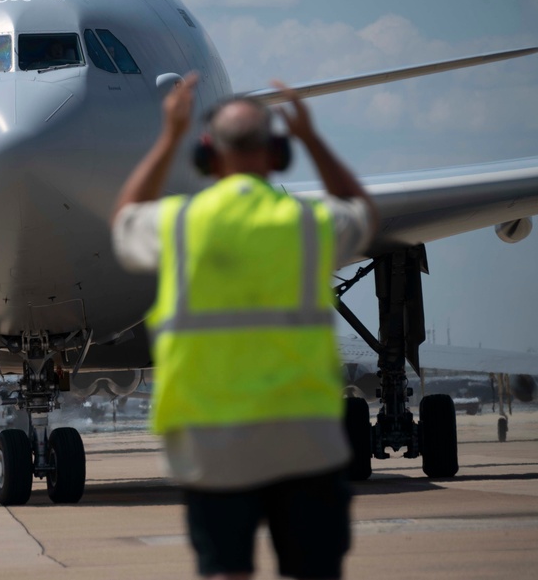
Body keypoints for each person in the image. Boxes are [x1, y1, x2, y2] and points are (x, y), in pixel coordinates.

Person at [110, 73, 377, 580]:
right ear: (276, 153)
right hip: (304, 437)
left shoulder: (181, 225)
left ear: (206, 154)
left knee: (227, 571)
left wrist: (169, 137)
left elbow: (125, 221)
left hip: (212, 443)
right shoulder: (307, 224)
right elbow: (362, 214)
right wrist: (313, 141)